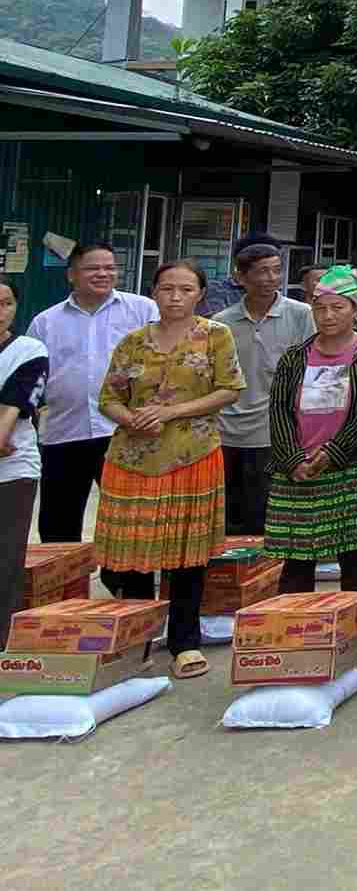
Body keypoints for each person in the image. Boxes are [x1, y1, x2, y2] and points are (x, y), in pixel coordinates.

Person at [95, 260, 244, 679]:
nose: (175, 297)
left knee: (186, 557)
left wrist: (172, 412)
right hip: (132, 460)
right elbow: (108, 398)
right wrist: (130, 418)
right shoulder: (133, 342)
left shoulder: (216, 335)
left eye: (185, 289)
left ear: (200, 294)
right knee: (134, 558)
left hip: (192, 457)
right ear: (154, 292)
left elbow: (229, 389)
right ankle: (139, 642)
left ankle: (184, 642)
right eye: (167, 289)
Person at [26, 241, 157, 596]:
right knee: (58, 523)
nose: (103, 274)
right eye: (93, 268)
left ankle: (134, 599)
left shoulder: (142, 310)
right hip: (64, 434)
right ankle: (63, 600)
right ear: (71, 275)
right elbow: (34, 379)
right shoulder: (46, 322)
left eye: (109, 267)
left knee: (130, 521)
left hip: (125, 434)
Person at [263, 265, 357, 616]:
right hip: (298, 469)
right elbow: (279, 409)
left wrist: (334, 451)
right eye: (320, 308)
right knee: (297, 558)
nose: (328, 316)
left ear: (355, 309)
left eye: (337, 307)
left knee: (355, 555)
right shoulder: (295, 357)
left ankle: (355, 626)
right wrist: (293, 459)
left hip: (351, 466)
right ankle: (295, 624)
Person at [213, 235, 315, 537]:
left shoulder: (301, 314)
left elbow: (310, 372)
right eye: (261, 271)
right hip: (227, 431)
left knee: (267, 513)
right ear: (241, 277)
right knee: (229, 514)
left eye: (276, 270)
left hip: (275, 431)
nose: (271, 278)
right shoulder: (222, 323)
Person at [0, 275, 50, 634]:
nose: (0, 312)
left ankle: (3, 642)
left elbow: (11, 412)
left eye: (6, 304)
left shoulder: (28, 351)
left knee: (4, 560)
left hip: (12, 472)